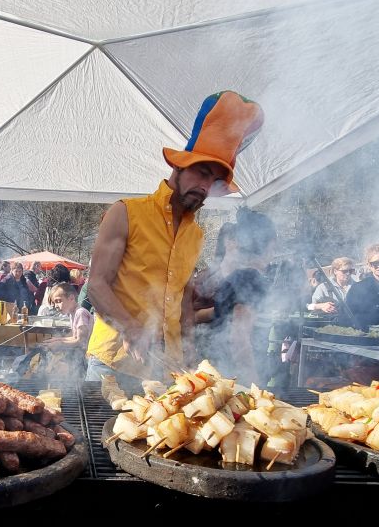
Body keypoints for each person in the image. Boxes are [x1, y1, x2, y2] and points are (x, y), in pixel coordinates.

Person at [85, 90, 264, 382]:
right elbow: (97, 285)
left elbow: (181, 298)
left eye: (213, 180)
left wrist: (190, 353)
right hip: (115, 363)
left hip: (166, 367)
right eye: (201, 172)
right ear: (178, 165)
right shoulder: (126, 212)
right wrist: (131, 328)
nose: (205, 187)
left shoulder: (195, 234)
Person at [207, 209, 277, 385]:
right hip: (237, 380)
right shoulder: (251, 279)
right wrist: (254, 386)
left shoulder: (238, 276)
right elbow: (239, 337)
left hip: (224, 374)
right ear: (271, 245)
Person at [341, 243, 379, 331]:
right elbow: (346, 316)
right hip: (366, 336)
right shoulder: (357, 288)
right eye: (375, 263)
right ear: (369, 264)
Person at [41, 282, 94, 351]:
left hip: (89, 354)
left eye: (58, 301)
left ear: (71, 298)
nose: (56, 306)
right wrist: (56, 340)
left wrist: (60, 343)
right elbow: (75, 337)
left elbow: (81, 341)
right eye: (54, 303)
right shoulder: (72, 313)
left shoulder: (80, 313)